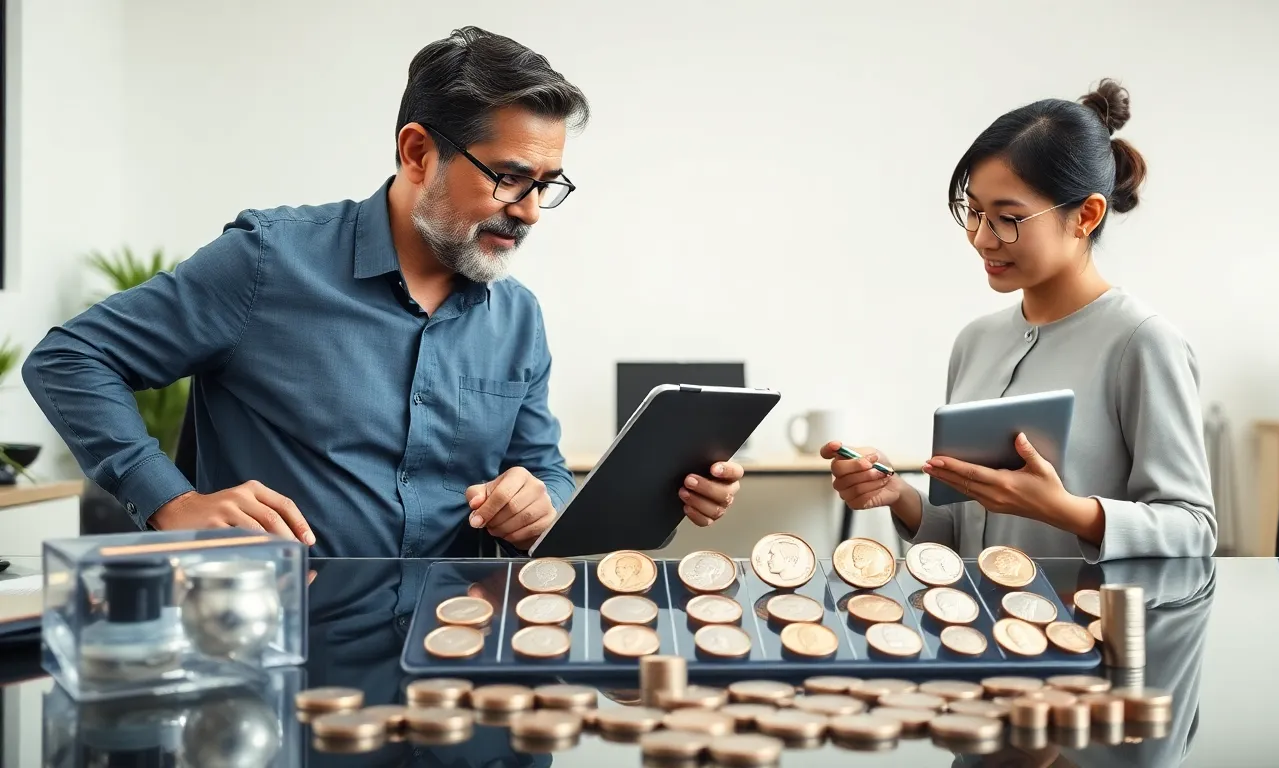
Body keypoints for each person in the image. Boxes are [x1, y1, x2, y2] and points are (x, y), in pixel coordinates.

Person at [22, 27, 743, 558]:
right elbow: (70, 358)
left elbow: (544, 468)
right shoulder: (267, 261)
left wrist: (541, 500)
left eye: (546, 186)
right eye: (509, 177)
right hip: (289, 666)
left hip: (466, 679)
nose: (527, 209)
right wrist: (171, 501)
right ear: (418, 151)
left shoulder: (518, 317)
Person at [824, 79, 1216, 562]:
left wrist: (1066, 510)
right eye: (973, 211)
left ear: (1086, 216)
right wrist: (899, 495)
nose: (981, 240)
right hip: (975, 631)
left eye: (1007, 218)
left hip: (1085, 630)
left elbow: (1194, 529)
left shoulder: (1142, 342)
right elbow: (963, 532)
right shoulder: (976, 341)